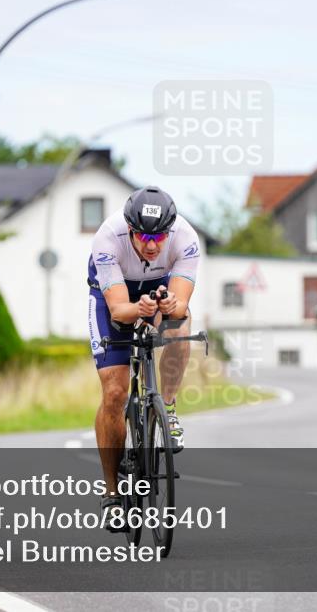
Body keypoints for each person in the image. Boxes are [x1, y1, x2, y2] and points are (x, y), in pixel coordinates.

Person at [86, 186, 200, 527]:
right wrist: (138, 309)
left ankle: (167, 407)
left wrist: (168, 306)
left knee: (181, 324)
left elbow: (179, 304)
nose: (151, 245)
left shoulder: (186, 237)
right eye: (143, 237)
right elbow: (120, 310)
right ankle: (111, 494)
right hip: (113, 297)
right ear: (129, 229)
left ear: (170, 230)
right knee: (115, 392)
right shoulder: (108, 237)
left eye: (159, 237)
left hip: (157, 287)